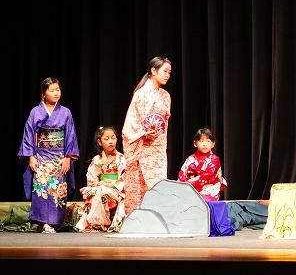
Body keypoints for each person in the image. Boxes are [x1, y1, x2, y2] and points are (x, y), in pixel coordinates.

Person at [18, 77, 80, 234]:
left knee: (57, 189)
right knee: (42, 189)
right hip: (41, 157)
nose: (56, 93)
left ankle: (55, 221)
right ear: (44, 93)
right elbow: (29, 134)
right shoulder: (35, 112)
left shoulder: (66, 112)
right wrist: (31, 156)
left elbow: (70, 136)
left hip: (60, 157)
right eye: (51, 90)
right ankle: (45, 223)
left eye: (57, 90)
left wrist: (68, 157)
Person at [122, 56, 172, 213]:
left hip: (158, 147)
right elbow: (130, 124)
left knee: (159, 184)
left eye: (169, 72)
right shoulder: (141, 94)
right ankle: (138, 218)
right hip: (142, 147)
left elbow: (164, 123)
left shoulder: (165, 96)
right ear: (153, 70)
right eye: (165, 71)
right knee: (140, 186)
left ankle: (157, 217)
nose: (167, 75)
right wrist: (144, 133)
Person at [76, 126, 127, 232]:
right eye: (106, 139)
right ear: (100, 142)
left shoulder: (121, 158)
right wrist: (99, 184)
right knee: (89, 191)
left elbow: (124, 178)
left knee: (102, 192)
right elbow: (91, 179)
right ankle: (99, 222)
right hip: (100, 188)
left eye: (113, 138)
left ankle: (100, 223)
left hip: (115, 191)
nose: (110, 141)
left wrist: (110, 184)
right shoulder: (96, 160)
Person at [178, 127, 227, 201]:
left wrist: (187, 184)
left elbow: (206, 177)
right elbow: (182, 175)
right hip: (189, 190)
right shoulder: (190, 159)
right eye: (201, 141)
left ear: (213, 144)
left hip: (208, 191)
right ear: (195, 143)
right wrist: (181, 186)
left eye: (208, 141)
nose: (204, 144)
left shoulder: (214, 159)